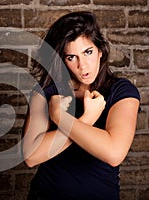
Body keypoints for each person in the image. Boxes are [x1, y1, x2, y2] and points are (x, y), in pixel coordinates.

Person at [22, 11, 140, 199]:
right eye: (71, 57)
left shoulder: (121, 91)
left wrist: (60, 117)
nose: (83, 66)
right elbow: (31, 156)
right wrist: (86, 119)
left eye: (88, 52)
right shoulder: (46, 92)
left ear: (100, 50)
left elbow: (114, 152)